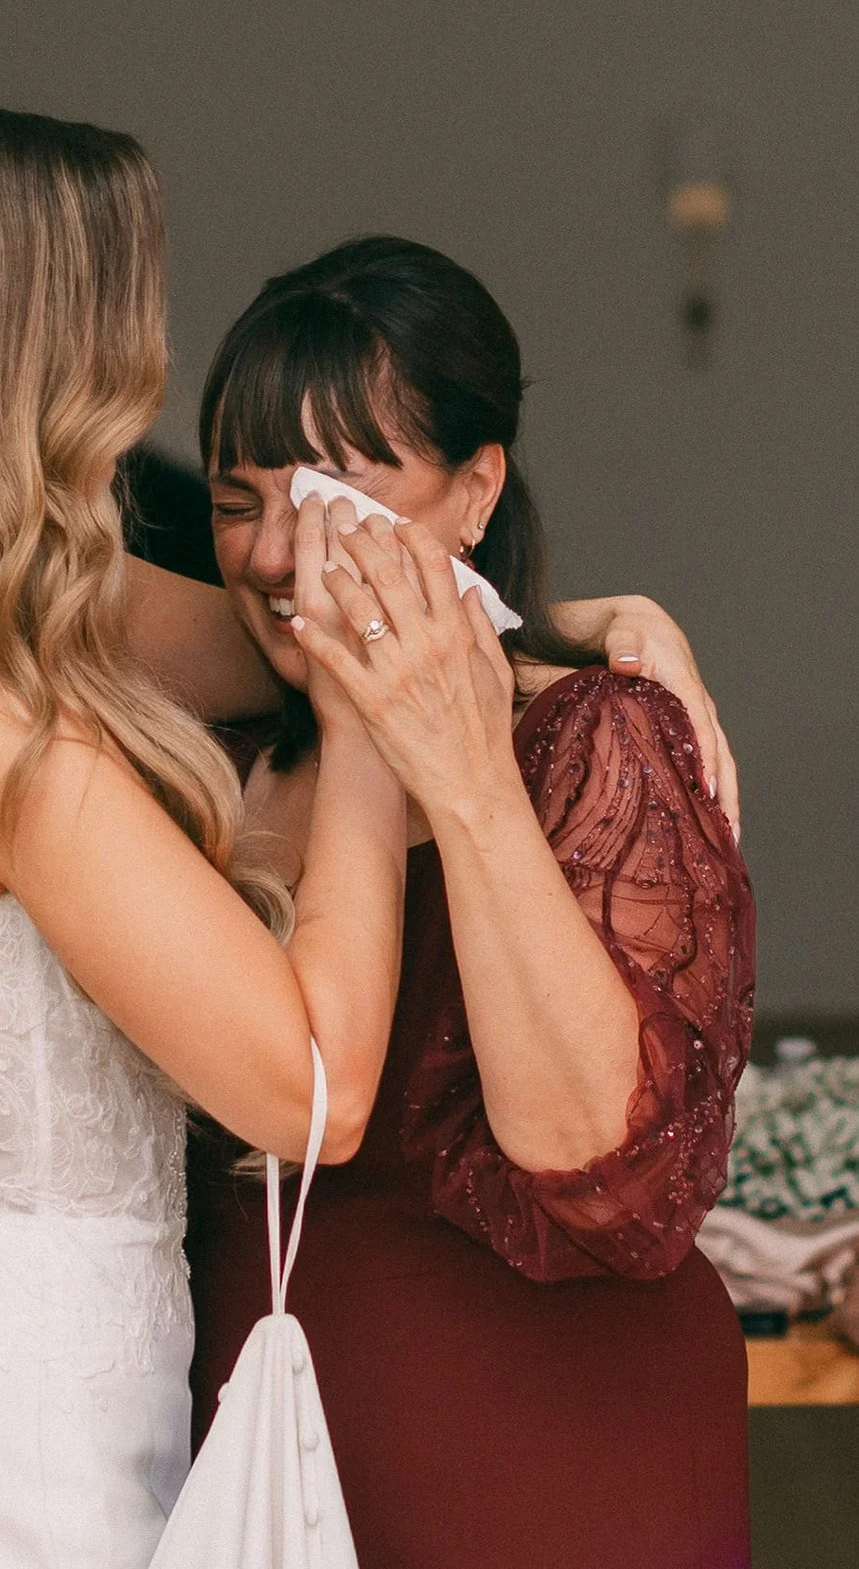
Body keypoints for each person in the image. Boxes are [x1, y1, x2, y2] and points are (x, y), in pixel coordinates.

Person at [0, 98, 414, 1567]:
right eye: (119, 308)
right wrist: (389, 745)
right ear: (30, 354)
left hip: (24, 1410)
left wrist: (581, 622)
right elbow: (310, 1092)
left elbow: (280, 642)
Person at [186, 236, 756, 1569]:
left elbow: (610, 1181)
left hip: (559, 1468)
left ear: (474, 487)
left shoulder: (596, 739)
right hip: (259, 1471)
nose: (278, 552)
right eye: (235, 497)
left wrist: (460, 772)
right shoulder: (204, 760)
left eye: (334, 492)